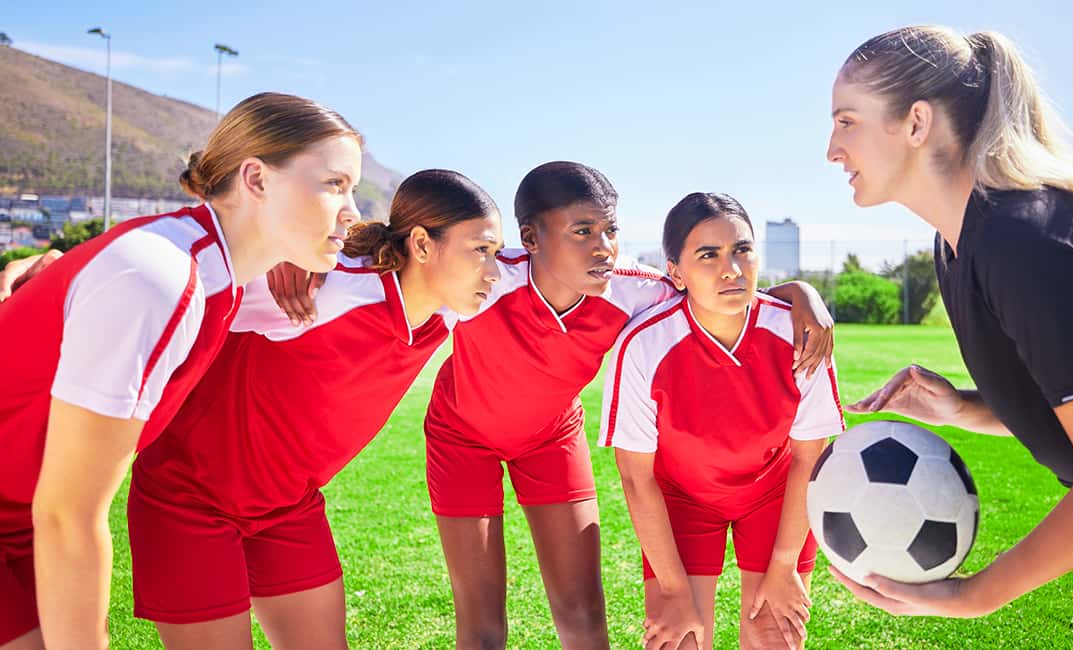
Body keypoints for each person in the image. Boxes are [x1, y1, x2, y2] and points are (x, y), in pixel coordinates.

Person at [272, 160, 834, 648]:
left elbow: (718, 289)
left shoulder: (631, 292)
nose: (604, 247)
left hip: (551, 440)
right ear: (532, 238)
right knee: (483, 628)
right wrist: (288, 255)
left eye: (610, 230)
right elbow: (382, 265)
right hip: (461, 440)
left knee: (585, 617)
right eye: (583, 231)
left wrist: (803, 295)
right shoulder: (485, 276)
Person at [824, 25, 1073, 649]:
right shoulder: (960, 242)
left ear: (917, 123)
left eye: (846, 121)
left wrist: (974, 594)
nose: (832, 149)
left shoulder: (1023, 239)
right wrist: (967, 408)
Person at [0, 91, 363, 650]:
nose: (352, 212)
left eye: (354, 189)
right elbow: (69, 513)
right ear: (257, 180)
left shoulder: (213, 274)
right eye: (334, 185)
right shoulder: (161, 278)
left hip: (22, 519)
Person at [125, 170, 503, 649]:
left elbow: (548, 266)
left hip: (289, 507)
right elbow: (173, 270)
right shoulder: (319, 290)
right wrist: (282, 251)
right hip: (188, 501)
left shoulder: (452, 300)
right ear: (423, 245)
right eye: (482, 251)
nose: (494, 271)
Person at [599, 192, 844, 650]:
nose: (731, 268)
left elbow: (810, 459)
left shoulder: (799, 334)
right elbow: (636, 476)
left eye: (742, 250)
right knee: (679, 640)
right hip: (682, 498)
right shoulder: (645, 345)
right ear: (676, 271)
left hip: (775, 495)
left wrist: (785, 564)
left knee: (774, 635)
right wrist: (673, 589)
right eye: (708, 255)